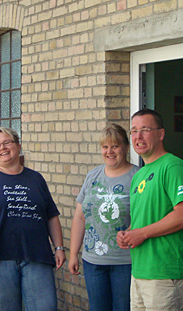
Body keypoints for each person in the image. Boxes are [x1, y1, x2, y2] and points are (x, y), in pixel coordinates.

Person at [0, 127, 66, 311]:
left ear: (18, 145)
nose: (2, 148)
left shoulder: (35, 178)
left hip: (36, 255)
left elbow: (51, 215)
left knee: (45, 307)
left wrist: (58, 248)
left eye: (7, 142)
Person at [117, 109, 183, 311]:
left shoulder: (172, 166)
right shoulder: (139, 174)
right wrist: (129, 233)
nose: (138, 137)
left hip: (165, 273)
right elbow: (144, 218)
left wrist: (141, 233)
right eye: (133, 131)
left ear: (160, 134)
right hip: (140, 270)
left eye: (145, 130)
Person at [69, 124, 139, 311]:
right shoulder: (93, 175)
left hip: (126, 261)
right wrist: (73, 254)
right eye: (105, 147)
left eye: (115, 146)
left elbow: (145, 216)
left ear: (125, 147)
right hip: (94, 261)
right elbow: (79, 217)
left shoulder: (138, 176)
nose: (110, 151)